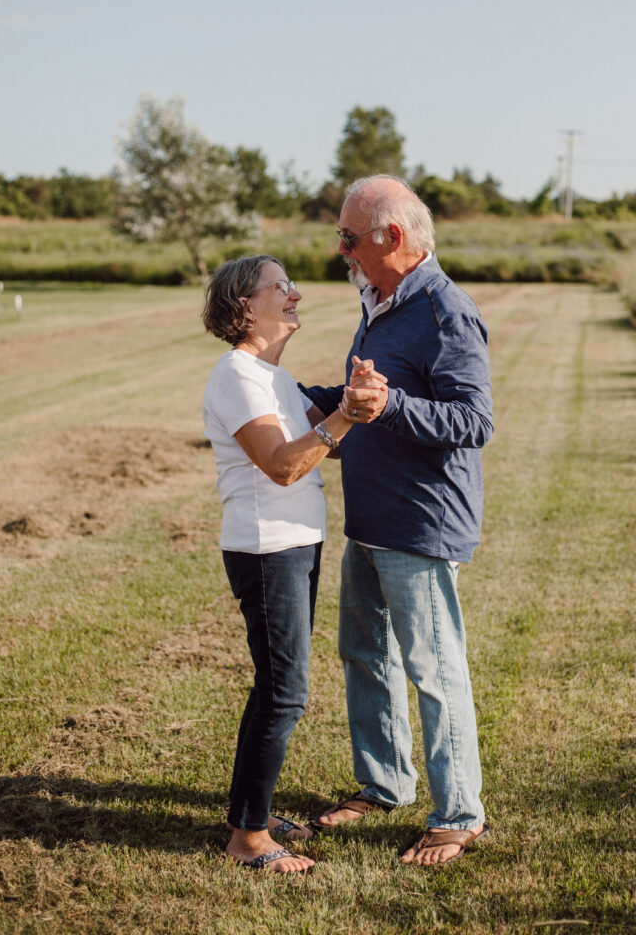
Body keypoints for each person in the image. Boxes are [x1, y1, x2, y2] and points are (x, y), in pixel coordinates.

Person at [300, 175, 494, 866]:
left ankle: (459, 815)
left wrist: (393, 408)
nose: (341, 250)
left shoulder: (446, 313)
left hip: (421, 524)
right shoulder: (379, 300)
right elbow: (361, 397)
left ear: (392, 238)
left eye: (348, 238)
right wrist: (281, 394)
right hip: (371, 520)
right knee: (364, 657)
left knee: (434, 671)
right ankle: (383, 785)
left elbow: (474, 423)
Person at [202, 254, 384, 873]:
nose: (295, 294)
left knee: (274, 687)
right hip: (265, 548)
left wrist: (361, 397)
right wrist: (344, 416)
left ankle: (251, 811)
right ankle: (248, 838)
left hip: (296, 543)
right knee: (284, 693)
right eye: (280, 287)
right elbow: (282, 464)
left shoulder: (274, 377)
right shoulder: (236, 376)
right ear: (246, 306)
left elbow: (320, 449)